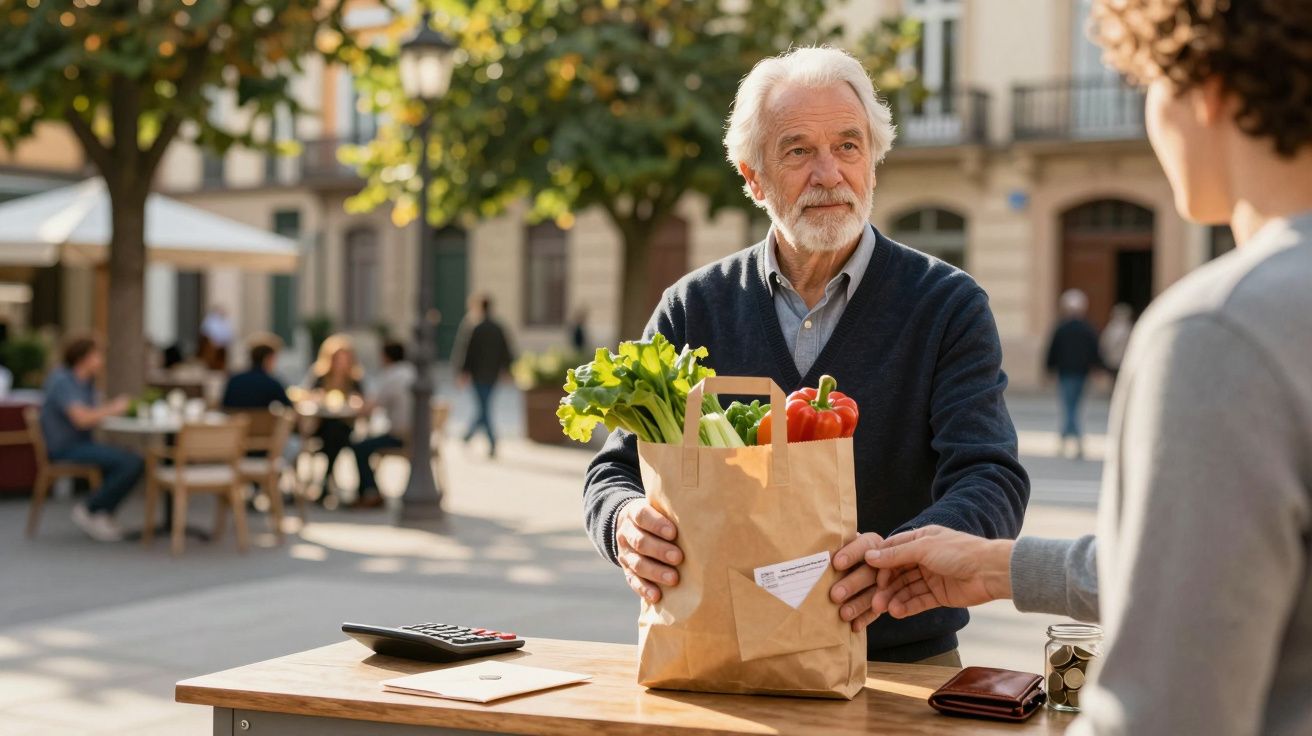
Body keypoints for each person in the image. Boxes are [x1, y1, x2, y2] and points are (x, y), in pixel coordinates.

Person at [863, 1, 1312, 732]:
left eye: (1150, 86)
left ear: (1211, 87)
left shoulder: (1220, 328)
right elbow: (1225, 573)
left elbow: (1167, 712)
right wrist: (997, 566)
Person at [582, 46, 1030, 666]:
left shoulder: (948, 306)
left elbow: (991, 477)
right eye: (798, 151)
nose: (829, 174)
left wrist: (898, 558)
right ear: (752, 175)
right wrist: (623, 522)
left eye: (848, 146)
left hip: (896, 659)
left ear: (873, 160)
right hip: (718, 657)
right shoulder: (693, 306)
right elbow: (613, 471)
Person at [38, 335, 144, 542]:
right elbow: (82, 419)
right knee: (131, 462)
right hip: (66, 446)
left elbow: (93, 412)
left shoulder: (86, 382)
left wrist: (107, 409)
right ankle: (91, 509)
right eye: (98, 355)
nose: (102, 360)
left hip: (82, 443)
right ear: (83, 357)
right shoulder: (63, 380)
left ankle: (101, 513)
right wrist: (112, 409)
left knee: (130, 457)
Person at [349, 340, 415, 509]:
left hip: (401, 436)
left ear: (385, 357)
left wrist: (356, 403)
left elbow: (371, 407)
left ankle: (370, 492)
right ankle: (369, 491)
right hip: (417, 435)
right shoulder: (413, 372)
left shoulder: (392, 376)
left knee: (359, 446)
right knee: (365, 442)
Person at [451, 295, 514, 458]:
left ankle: (482, 439)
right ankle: (471, 436)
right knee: (484, 407)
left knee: (484, 408)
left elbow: (466, 353)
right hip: (491, 374)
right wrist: (507, 370)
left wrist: (462, 372)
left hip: (478, 374)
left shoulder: (474, 327)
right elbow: (506, 351)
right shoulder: (497, 327)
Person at [1044, 289, 1104, 459]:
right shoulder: (1087, 328)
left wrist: (1049, 369)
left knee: (1069, 406)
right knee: (1075, 407)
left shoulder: (1061, 328)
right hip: (1081, 373)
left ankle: (1068, 440)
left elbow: (1052, 351)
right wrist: (1098, 368)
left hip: (1066, 373)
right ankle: (1075, 441)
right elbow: (1095, 351)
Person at [306, 334, 364, 504]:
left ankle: (325, 482)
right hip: (321, 425)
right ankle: (327, 481)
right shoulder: (320, 377)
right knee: (333, 433)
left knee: (337, 433)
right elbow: (308, 396)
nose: (341, 363)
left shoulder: (354, 379)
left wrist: (356, 403)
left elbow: (363, 402)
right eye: (337, 358)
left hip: (345, 425)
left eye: (345, 359)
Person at [221, 333, 292, 410]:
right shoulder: (272, 383)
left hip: (236, 421)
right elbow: (289, 407)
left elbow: (224, 406)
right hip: (261, 422)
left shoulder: (234, 380)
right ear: (268, 359)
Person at [1098, 303, 1134, 382]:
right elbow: (1104, 344)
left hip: (1122, 360)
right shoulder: (1111, 328)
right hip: (1115, 360)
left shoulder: (1129, 328)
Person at [199, 305, 234, 371]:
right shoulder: (210, 320)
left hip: (222, 346)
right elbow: (206, 332)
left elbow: (229, 333)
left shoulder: (225, 321)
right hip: (212, 345)